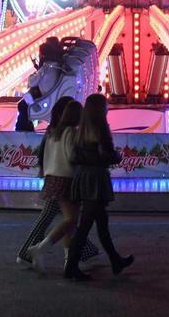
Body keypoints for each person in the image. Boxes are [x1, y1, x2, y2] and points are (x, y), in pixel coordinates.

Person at [15, 97, 100, 269]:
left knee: (63, 219)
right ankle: (36, 250)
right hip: (66, 179)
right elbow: (71, 156)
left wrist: (45, 170)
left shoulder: (53, 131)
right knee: (68, 220)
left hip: (52, 179)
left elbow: (43, 153)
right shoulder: (68, 132)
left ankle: (77, 256)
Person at [64, 93, 134, 280]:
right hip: (96, 178)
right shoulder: (101, 127)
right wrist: (118, 156)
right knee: (85, 226)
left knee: (101, 223)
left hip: (84, 177)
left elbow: (74, 156)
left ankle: (115, 261)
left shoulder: (81, 129)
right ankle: (70, 268)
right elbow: (107, 154)